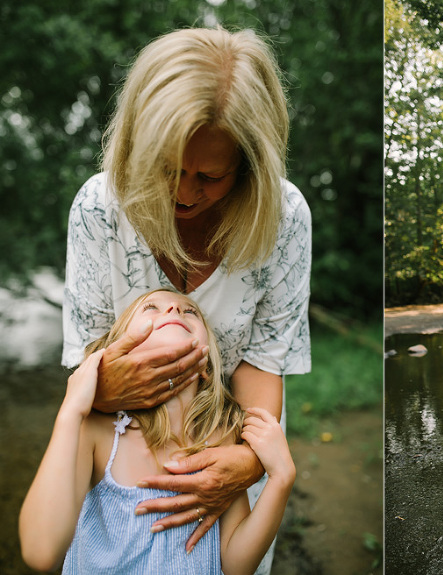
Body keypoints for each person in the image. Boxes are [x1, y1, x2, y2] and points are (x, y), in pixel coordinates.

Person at [61, 27, 311, 572]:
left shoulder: (284, 219)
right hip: (120, 453)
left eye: (210, 176)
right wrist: (103, 389)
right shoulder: (98, 209)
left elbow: (263, 363)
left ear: (249, 165)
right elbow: (85, 368)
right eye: (168, 168)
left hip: (231, 437)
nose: (183, 192)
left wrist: (246, 462)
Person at [20, 289, 295, 574]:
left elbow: (237, 564)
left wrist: (281, 479)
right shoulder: (99, 430)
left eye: (191, 312)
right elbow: (41, 552)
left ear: (207, 367)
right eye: (151, 307)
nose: (175, 309)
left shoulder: (222, 437)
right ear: (120, 352)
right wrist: (71, 412)